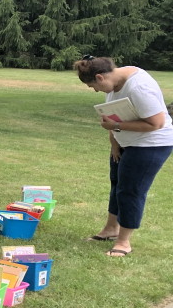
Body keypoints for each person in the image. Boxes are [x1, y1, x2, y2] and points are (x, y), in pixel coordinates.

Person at [74, 56, 173, 257]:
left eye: (93, 86)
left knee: (130, 190)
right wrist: (114, 142)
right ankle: (111, 229)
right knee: (117, 184)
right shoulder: (116, 79)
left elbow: (156, 123)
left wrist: (115, 127)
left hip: (151, 144)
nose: (95, 90)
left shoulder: (139, 88)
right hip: (125, 142)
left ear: (100, 77)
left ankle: (124, 242)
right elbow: (115, 113)